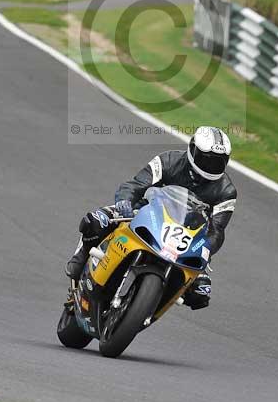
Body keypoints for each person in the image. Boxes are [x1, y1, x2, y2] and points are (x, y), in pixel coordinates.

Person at [64, 126, 236, 311]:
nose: (210, 166)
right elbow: (136, 184)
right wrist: (125, 201)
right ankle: (81, 258)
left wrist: (206, 252)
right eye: (207, 160)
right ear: (192, 150)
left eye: (218, 162)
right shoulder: (168, 160)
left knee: (201, 293)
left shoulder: (227, 192)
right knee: (97, 220)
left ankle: (163, 297)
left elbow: (217, 229)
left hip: (187, 237)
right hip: (145, 213)